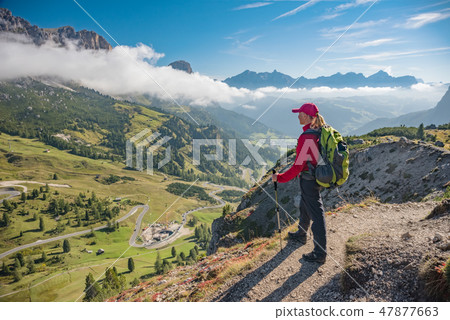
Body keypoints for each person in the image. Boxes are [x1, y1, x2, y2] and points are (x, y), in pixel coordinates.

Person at [272, 102, 327, 264]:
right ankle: (301, 233)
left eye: (300, 113)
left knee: (317, 214)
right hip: (315, 176)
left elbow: (298, 166)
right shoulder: (319, 131)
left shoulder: (307, 137)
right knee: (305, 205)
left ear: (308, 117)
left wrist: (280, 178)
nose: (298, 116)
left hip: (309, 179)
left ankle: (320, 253)